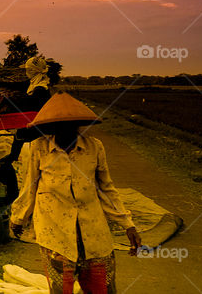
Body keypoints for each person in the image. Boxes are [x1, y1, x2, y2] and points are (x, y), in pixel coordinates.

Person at [10, 92, 141, 294]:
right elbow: (30, 186)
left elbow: (106, 188)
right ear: (50, 127)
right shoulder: (39, 148)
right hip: (54, 231)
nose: (66, 131)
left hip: (93, 229)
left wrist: (128, 224)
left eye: (71, 126)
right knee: (62, 288)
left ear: (79, 125)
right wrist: (19, 218)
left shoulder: (94, 147)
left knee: (100, 286)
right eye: (60, 126)